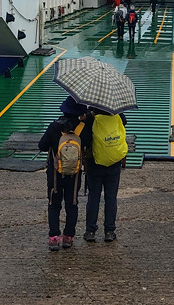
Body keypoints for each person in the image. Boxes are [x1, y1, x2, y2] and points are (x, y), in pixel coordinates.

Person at [38, 96, 88, 251]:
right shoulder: (82, 128)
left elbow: (42, 145)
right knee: (72, 204)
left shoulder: (54, 126)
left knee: (54, 204)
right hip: (74, 175)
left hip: (55, 174)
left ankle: (54, 238)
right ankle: (68, 237)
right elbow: (88, 144)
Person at [80, 108, 128, 243]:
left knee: (94, 197)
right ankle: (109, 231)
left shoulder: (91, 118)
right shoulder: (117, 114)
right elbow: (124, 123)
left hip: (95, 163)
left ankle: (90, 231)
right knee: (111, 197)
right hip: (114, 162)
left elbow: (85, 140)